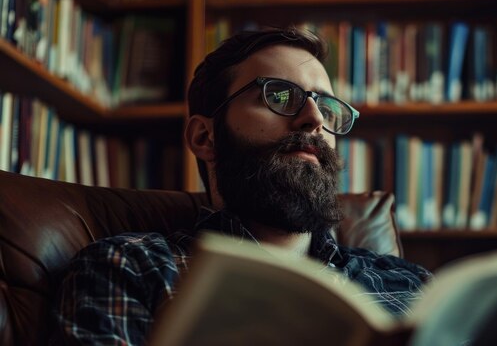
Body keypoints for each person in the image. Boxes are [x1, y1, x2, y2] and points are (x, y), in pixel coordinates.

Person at [51, 26, 432, 345]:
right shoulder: (131, 269)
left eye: (327, 106)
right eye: (279, 96)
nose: (315, 119)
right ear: (205, 137)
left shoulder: (412, 285)